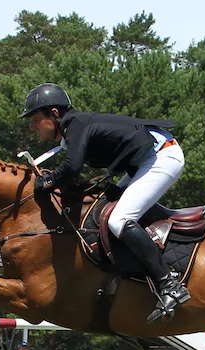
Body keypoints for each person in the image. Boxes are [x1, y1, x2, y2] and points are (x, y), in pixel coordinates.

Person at [22, 83, 188, 323]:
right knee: (103, 208)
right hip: (145, 159)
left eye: (36, 118)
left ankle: (169, 284)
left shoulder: (74, 124)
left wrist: (48, 181)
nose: (32, 125)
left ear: (54, 114)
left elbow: (72, 167)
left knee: (119, 220)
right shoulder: (72, 130)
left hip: (162, 155)